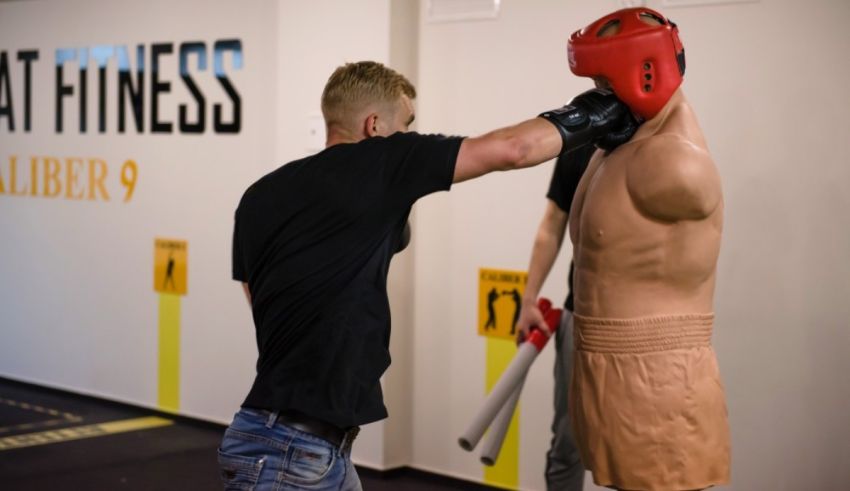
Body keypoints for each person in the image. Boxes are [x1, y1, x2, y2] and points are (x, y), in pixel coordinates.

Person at [219, 60, 637, 490]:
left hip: (293, 442)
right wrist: (599, 110)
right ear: (374, 125)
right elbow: (514, 149)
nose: (411, 134)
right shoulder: (383, 160)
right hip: (294, 454)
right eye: (407, 123)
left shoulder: (259, 195)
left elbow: (260, 296)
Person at [565, 8, 732, 491]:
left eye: (603, 79)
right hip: (603, 364)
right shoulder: (619, 145)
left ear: (642, 73)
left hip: (657, 377)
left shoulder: (675, 163)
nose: (597, 93)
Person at [516, 144, 595, 491]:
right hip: (581, 318)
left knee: (644, 446)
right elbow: (552, 224)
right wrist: (529, 298)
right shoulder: (584, 138)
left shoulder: (661, 140)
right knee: (569, 440)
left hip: (645, 325)